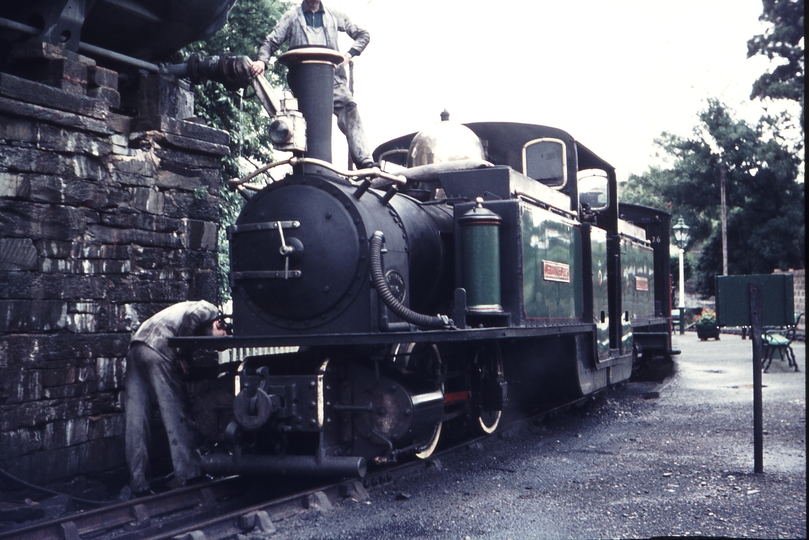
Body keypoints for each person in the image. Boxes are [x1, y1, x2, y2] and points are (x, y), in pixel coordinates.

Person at [249, 0, 375, 169]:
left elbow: (363, 34)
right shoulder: (291, 17)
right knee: (300, 122)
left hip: (333, 80)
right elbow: (271, 42)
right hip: (303, 83)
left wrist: (348, 55)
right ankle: (302, 166)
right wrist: (261, 62)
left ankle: (365, 162)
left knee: (350, 108)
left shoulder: (334, 15)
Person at [124, 300, 228, 494]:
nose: (212, 346)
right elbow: (194, 317)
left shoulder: (181, 311)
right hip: (159, 349)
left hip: (136, 347)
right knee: (177, 413)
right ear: (218, 324)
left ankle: (138, 484)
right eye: (218, 338)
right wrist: (181, 354)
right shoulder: (208, 308)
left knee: (136, 420)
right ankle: (191, 475)